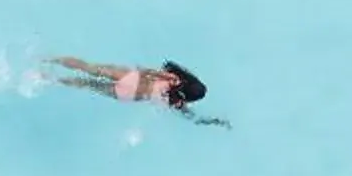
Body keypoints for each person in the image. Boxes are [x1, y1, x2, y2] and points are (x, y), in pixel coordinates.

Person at [41, 56, 230, 128]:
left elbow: (149, 72)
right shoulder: (177, 103)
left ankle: (49, 60)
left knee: (89, 67)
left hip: (133, 78)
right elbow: (194, 119)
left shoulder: (175, 79)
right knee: (87, 83)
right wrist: (215, 122)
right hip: (127, 94)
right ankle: (51, 79)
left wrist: (143, 70)